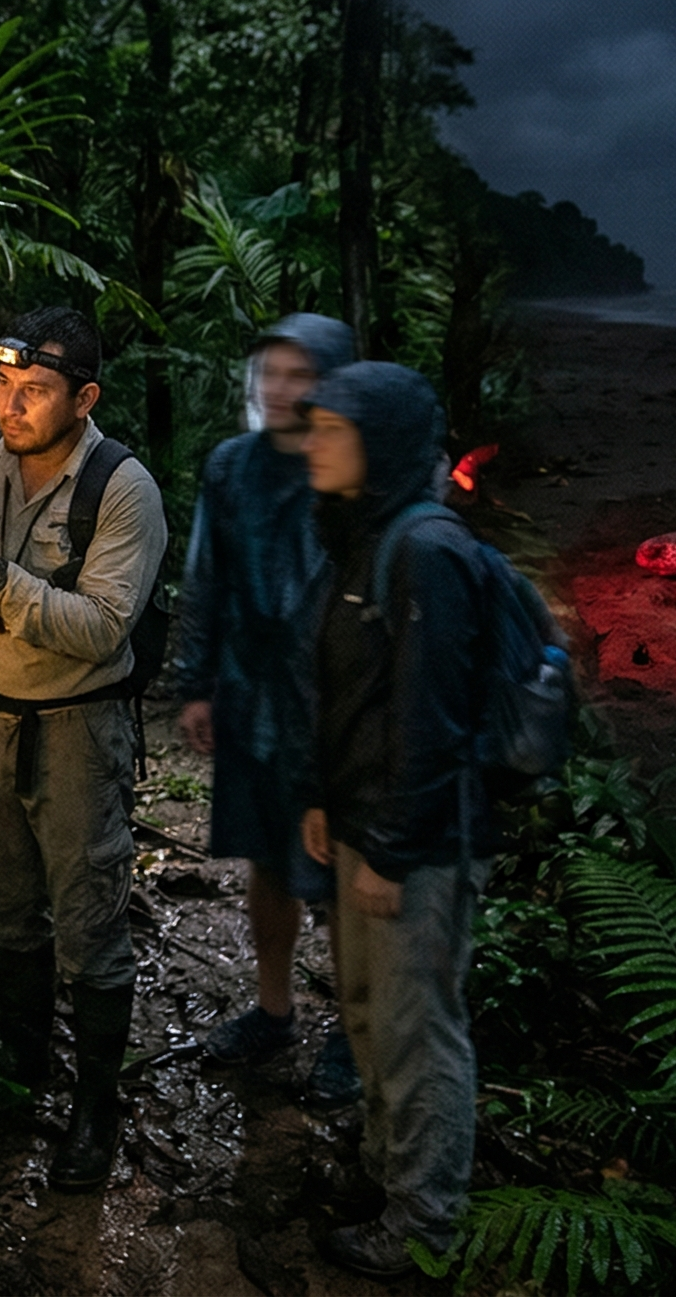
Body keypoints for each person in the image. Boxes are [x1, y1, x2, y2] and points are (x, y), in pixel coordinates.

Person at [0, 306, 167, 1192]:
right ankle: (24, 1071)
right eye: (5, 385)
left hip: (78, 728)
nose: (11, 406)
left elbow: (103, 628)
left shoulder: (122, 490)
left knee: (88, 920)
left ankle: (96, 1108)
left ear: (84, 399)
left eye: (36, 391)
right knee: (6, 906)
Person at [292, 361, 498, 1276]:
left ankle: (422, 1225)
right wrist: (324, 798)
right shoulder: (364, 533)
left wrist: (394, 849)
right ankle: (384, 1174)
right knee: (370, 1015)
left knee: (417, 1029)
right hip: (367, 825)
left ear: (382, 445)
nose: (314, 443)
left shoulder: (426, 551)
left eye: (334, 430)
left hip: (417, 843)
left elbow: (433, 718)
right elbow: (355, 692)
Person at [174, 314, 363, 1108]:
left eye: (301, 374)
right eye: (271, 373)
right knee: (265, 860)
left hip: (333, 708)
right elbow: (207, 575)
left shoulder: (353, 465)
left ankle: (354, 1033)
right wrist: (195, 682)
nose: (282, 390)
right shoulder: (232, 466)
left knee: (343, 874)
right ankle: (275, 1009)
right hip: (252, 696)